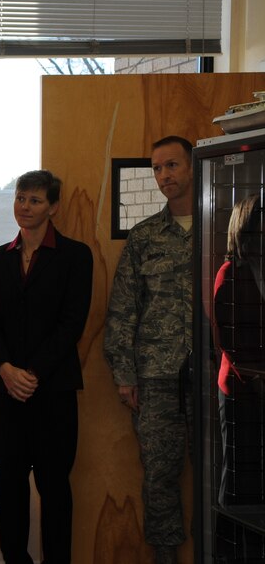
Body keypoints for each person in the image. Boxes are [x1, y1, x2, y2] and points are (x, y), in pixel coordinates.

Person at [0, 170, 93, 564]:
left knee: (54, 488)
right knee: (9, 489)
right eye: (20, 198)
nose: (25, 207)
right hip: (5, 393)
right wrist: (7, 370)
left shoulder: (76, 256)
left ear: (54, 208)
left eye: (35, 200)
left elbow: (71, 324)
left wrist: (34, 374)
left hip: (53, 393)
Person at [104, 136, 194, 564]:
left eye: (172, 165)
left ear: (193, 168)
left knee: (230, 473)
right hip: (157, 379)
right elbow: (122, 310)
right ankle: (165, 558)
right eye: (157, 169)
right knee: (159, 477)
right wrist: (124, 374)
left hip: (220, 376)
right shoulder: (144, 237)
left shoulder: (227, 227)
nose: (164, 176)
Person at [212, 194, 265, 507]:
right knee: (239, 475)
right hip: (242, 390)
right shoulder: (230, 272)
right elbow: (228, 341)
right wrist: (259, 379)